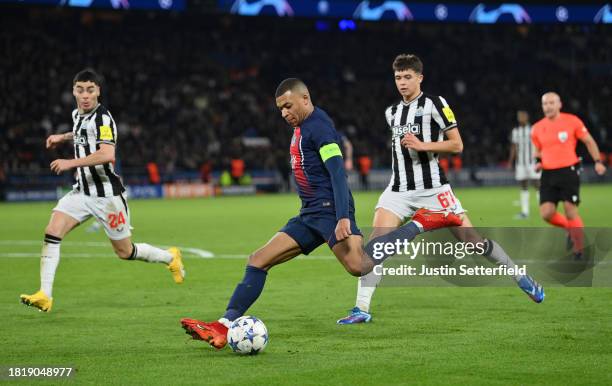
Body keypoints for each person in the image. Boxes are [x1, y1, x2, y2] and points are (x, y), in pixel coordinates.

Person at [180, 78, 461, 349]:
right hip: (309, 214)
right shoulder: (302, 127)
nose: (284, 113)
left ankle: (422, 221)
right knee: (258, 260)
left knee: (359, 266)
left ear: (305, 98)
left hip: (329, 211)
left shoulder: (320, 127)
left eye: (288, 106)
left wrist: (342, 217)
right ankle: (224, 324)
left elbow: (338, 173)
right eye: (280, 109)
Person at [337, 54, 545, 325]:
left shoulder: (436, 104)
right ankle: (361, 308)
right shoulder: (392, 112)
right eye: (398, 77)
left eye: (408, 77)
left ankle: (520, 276)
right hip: (398, 189)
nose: (402, 83)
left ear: (420, 78)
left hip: (434, 189)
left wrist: (424, 145)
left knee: (474, 243)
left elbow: (457, 145)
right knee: (376, 247)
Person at [20, 69, 185, 313]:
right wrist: (61, 137)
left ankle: (170, 257)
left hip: (107, 197)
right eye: (80, 89)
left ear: (99, 91)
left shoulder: (104, 119)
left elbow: (107, 154)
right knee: (52, 231)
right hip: (81, 192)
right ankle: (45, 294)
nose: (85, 95)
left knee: (125, 252)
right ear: (73, 91)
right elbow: (79, 133)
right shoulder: (77, 114)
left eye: (90, 90)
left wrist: (69, 162)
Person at [531, 92, 606, 260]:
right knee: (546, 213)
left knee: (570, 211)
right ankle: (569, 229)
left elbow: (589, 141)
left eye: (551, 103)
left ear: (559, 104)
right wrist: (538, 161)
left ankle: (579, 248)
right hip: (548, 173)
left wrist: (597, 161)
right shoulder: (537, 128)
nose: (548, 106)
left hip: (568, 171)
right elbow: (538, 149)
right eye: (545, 104)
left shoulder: (572, 121)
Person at [508, 110, 540, 218]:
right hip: (520, 163)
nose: (521, 118)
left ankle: (543, 209)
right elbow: (513, 147)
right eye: (519, 117)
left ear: (527, 117)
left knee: (537, 184)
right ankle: (525, 212)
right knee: (523, 186)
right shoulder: (515, 131)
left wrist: (540, 158)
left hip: (532, 162)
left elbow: (539, 144)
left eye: (523, 116)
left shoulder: (533, 130)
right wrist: (510, 162)